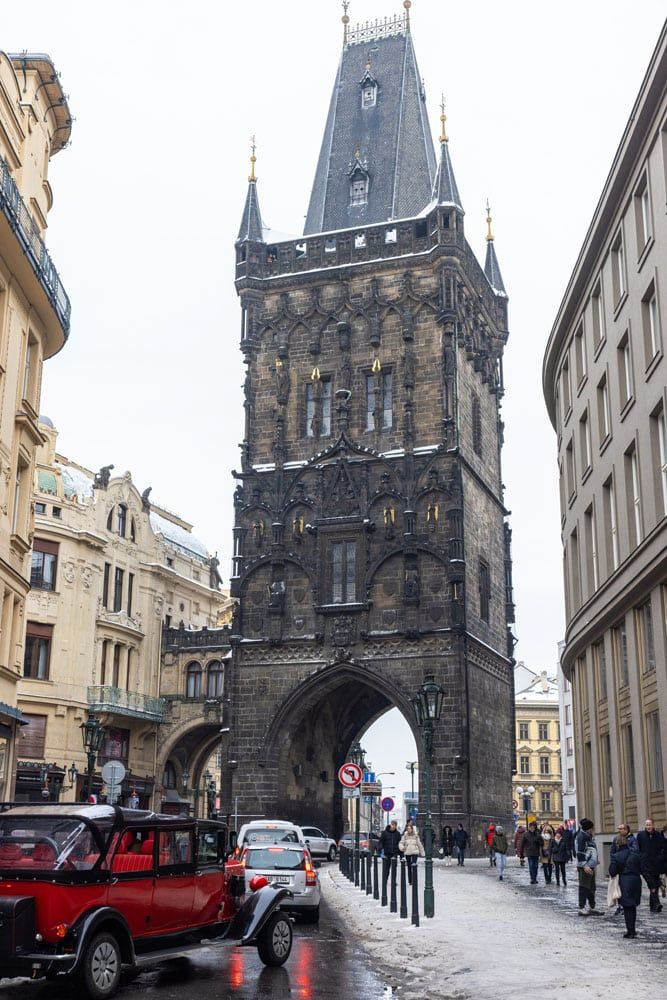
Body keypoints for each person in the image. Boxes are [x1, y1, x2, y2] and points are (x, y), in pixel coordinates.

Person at [609, 828, 642, 938]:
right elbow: (642, 868)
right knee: (633, 906)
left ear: (617, 844)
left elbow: (612, 872)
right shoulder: (635, 854)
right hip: (636, 881)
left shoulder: (616, 856)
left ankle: (630, 931)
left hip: (625, 881)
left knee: (627, 907)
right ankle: (633, 929)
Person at [636, 817, 665, 913]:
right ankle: (657, 903)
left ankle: (652, 907)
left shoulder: (658, 835)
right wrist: (640, 859)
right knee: (652, 885)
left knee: (655, 885)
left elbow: (663, 848)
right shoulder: (640, 835)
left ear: (653, 825)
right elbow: (637, 849)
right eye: (646, 825)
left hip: (656, 865)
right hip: (645, 866)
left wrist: (660, 858)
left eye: (649, 825)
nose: (648, 826)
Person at [575, 818, 601, 915]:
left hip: (591, 865)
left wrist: (595, 859)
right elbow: (580, 852)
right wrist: (584, 865)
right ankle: (582, 907)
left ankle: (592, 906)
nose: (593, 829)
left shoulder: (588, 836)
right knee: (584, 887)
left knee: (591, 887)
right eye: (592, 828)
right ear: (588, 828)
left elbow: (591, 849)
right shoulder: (581, 837)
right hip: (585, 866)